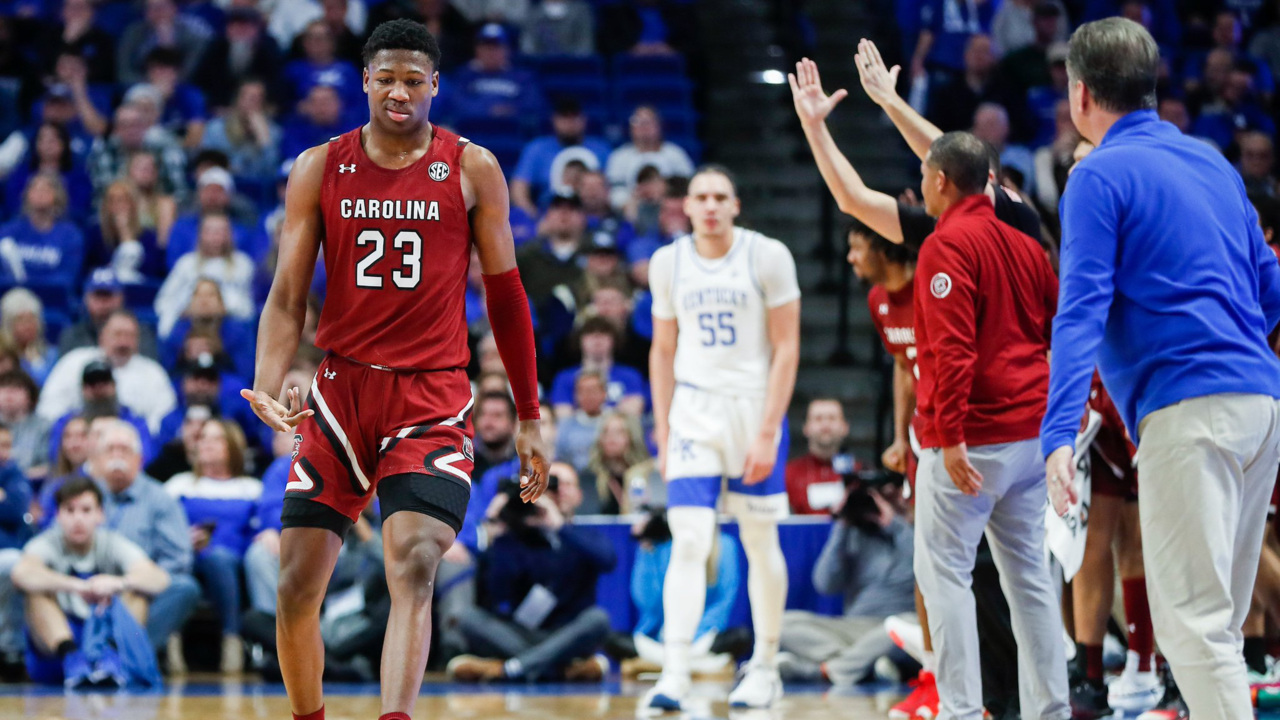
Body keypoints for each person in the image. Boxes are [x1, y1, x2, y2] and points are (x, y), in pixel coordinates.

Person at [240, 20, 547, 720]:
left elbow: (507, 295)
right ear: (365, 82)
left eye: (415, 79)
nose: (401, 91)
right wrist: (267, 378)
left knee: (412, 562)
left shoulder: (473, 168)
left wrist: (529, 414)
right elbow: (288, 296)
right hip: (341, 392)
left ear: (436, 84)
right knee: (295, 587)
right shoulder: (321, 165)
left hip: (430, 395)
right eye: (387, 78)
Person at [1040, 18, 1280, 720]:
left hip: (1188, 409)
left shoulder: (1095, 176)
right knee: (1221, 627)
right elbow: (1270, 291)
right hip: (1261, 404)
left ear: (1081, 94)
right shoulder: (1214, 161)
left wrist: (1057, 432)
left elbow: (1079, 311)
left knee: (1194, 629)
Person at [911, 131, 1067, 720]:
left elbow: (953, 353)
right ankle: (1049, 711)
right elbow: (1058, 327)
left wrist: (949, 436)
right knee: (1029, 578)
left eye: (924, 176)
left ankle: (959, 712)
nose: (921, 186)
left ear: (941, 181)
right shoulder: (1027, 247)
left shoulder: (944, 245)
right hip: (1030, 437)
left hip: (974, 440)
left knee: (945, 575)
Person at [642, 165, 801, 711]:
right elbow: (662, 349)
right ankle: (676, 668)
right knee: (687, 539)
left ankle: (765, 665)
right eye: (700, 197)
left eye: (720, 197)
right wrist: (662, 428)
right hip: (693, 410)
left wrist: (769, 430)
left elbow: (787, 348)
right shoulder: (669, 262)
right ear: (685, 206)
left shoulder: (767, 255)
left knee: (760, 540)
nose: (710, 205)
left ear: (735, 205)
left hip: (754, 408)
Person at [447, 476, 615, 682]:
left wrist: (559, 526)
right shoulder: (511, 540)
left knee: (598, 619)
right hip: (518, 633)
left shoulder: (579, 535)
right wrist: (495, 522)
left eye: (552, 488)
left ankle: (512, 668)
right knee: (467, 618)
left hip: (567, 632)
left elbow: (608, 560)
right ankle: (556, 670)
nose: (546, 496)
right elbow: (495, 592)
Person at [12, 476, 170, 686]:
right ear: (58, 515)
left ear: (100, 514)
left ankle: (110, 655)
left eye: (86, 510)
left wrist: (119, 583)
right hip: (56, 651)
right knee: (35, 594)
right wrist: (77, 586)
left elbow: (159, 578)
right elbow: (21, 573)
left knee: (138, 592)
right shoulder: (46, 543)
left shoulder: (112, 542)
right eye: (70, 510)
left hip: (105, 641)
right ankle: (72, 658)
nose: (78, 519)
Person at [778, 472, 916, 686]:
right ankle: (862, 663)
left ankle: (824, 670)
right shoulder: (853, 534)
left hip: (894, 626)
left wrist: (894, 524)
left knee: (902, 627)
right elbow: (824, 584)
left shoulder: (914, 532)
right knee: (779, 624)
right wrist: (843, 523)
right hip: (853, 627)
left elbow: (918, 568)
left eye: (889, 496)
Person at [784, 397, 856, 516]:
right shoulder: (788, 474)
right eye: (818, 419)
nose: (825, 425)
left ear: (845, 427)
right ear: (806, 428)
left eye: (832, 418)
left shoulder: (859, 473)